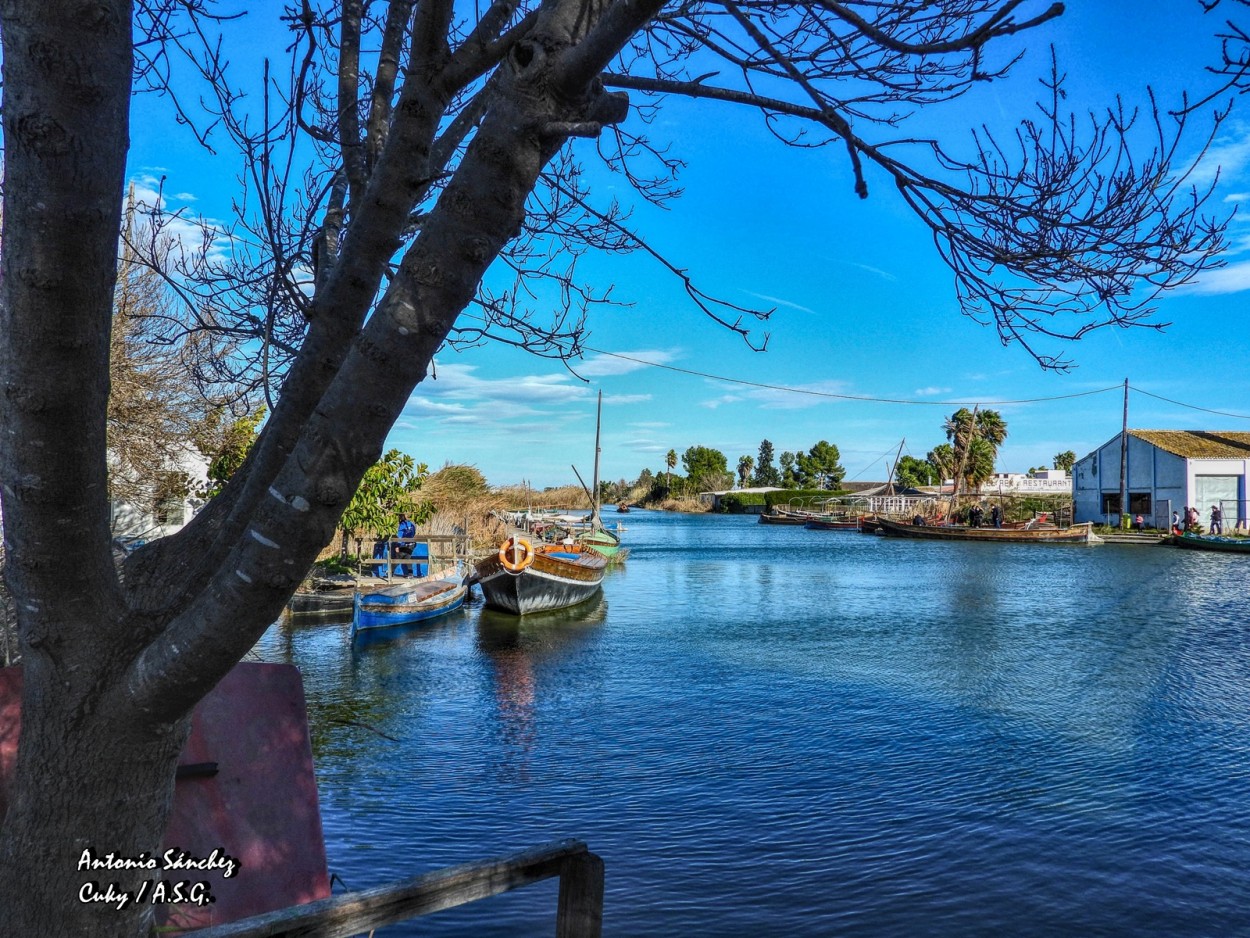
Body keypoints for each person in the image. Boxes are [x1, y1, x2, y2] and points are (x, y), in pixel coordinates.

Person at [394, 512, 416, 576]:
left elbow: (400, 536)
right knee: (407, 558)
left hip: (405, 544)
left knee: (398, 557)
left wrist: (398, 546)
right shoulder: (412, 524)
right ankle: (410, 574)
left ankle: (390, 572)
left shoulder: (402, 525)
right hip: (411, 544)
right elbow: (413, 533)